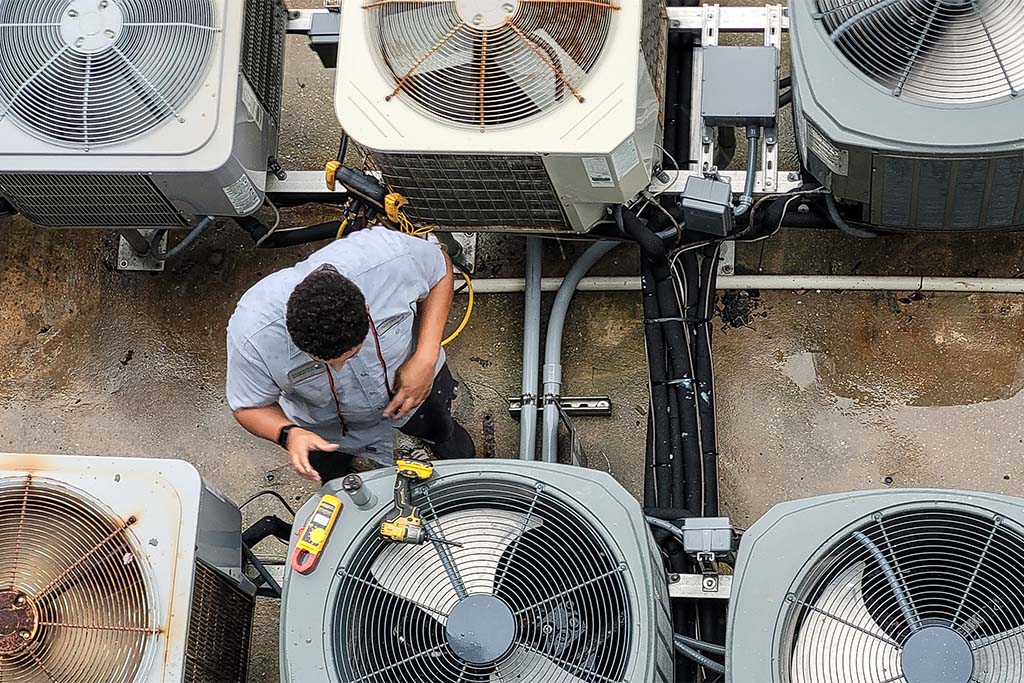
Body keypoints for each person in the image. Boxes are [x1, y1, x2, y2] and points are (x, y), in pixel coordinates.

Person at [226, 226, 476, 482]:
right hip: (326, 430)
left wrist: (426, 355)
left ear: (367, 311)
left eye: (351, 354)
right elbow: (247, 406)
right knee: (333, 475)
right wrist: (288, 434)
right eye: (320, 363)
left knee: (439, 426)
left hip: (417, 389)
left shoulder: (388, 257)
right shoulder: (252, 334)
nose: (337, 368)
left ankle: (448, 444)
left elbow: (440, 270)